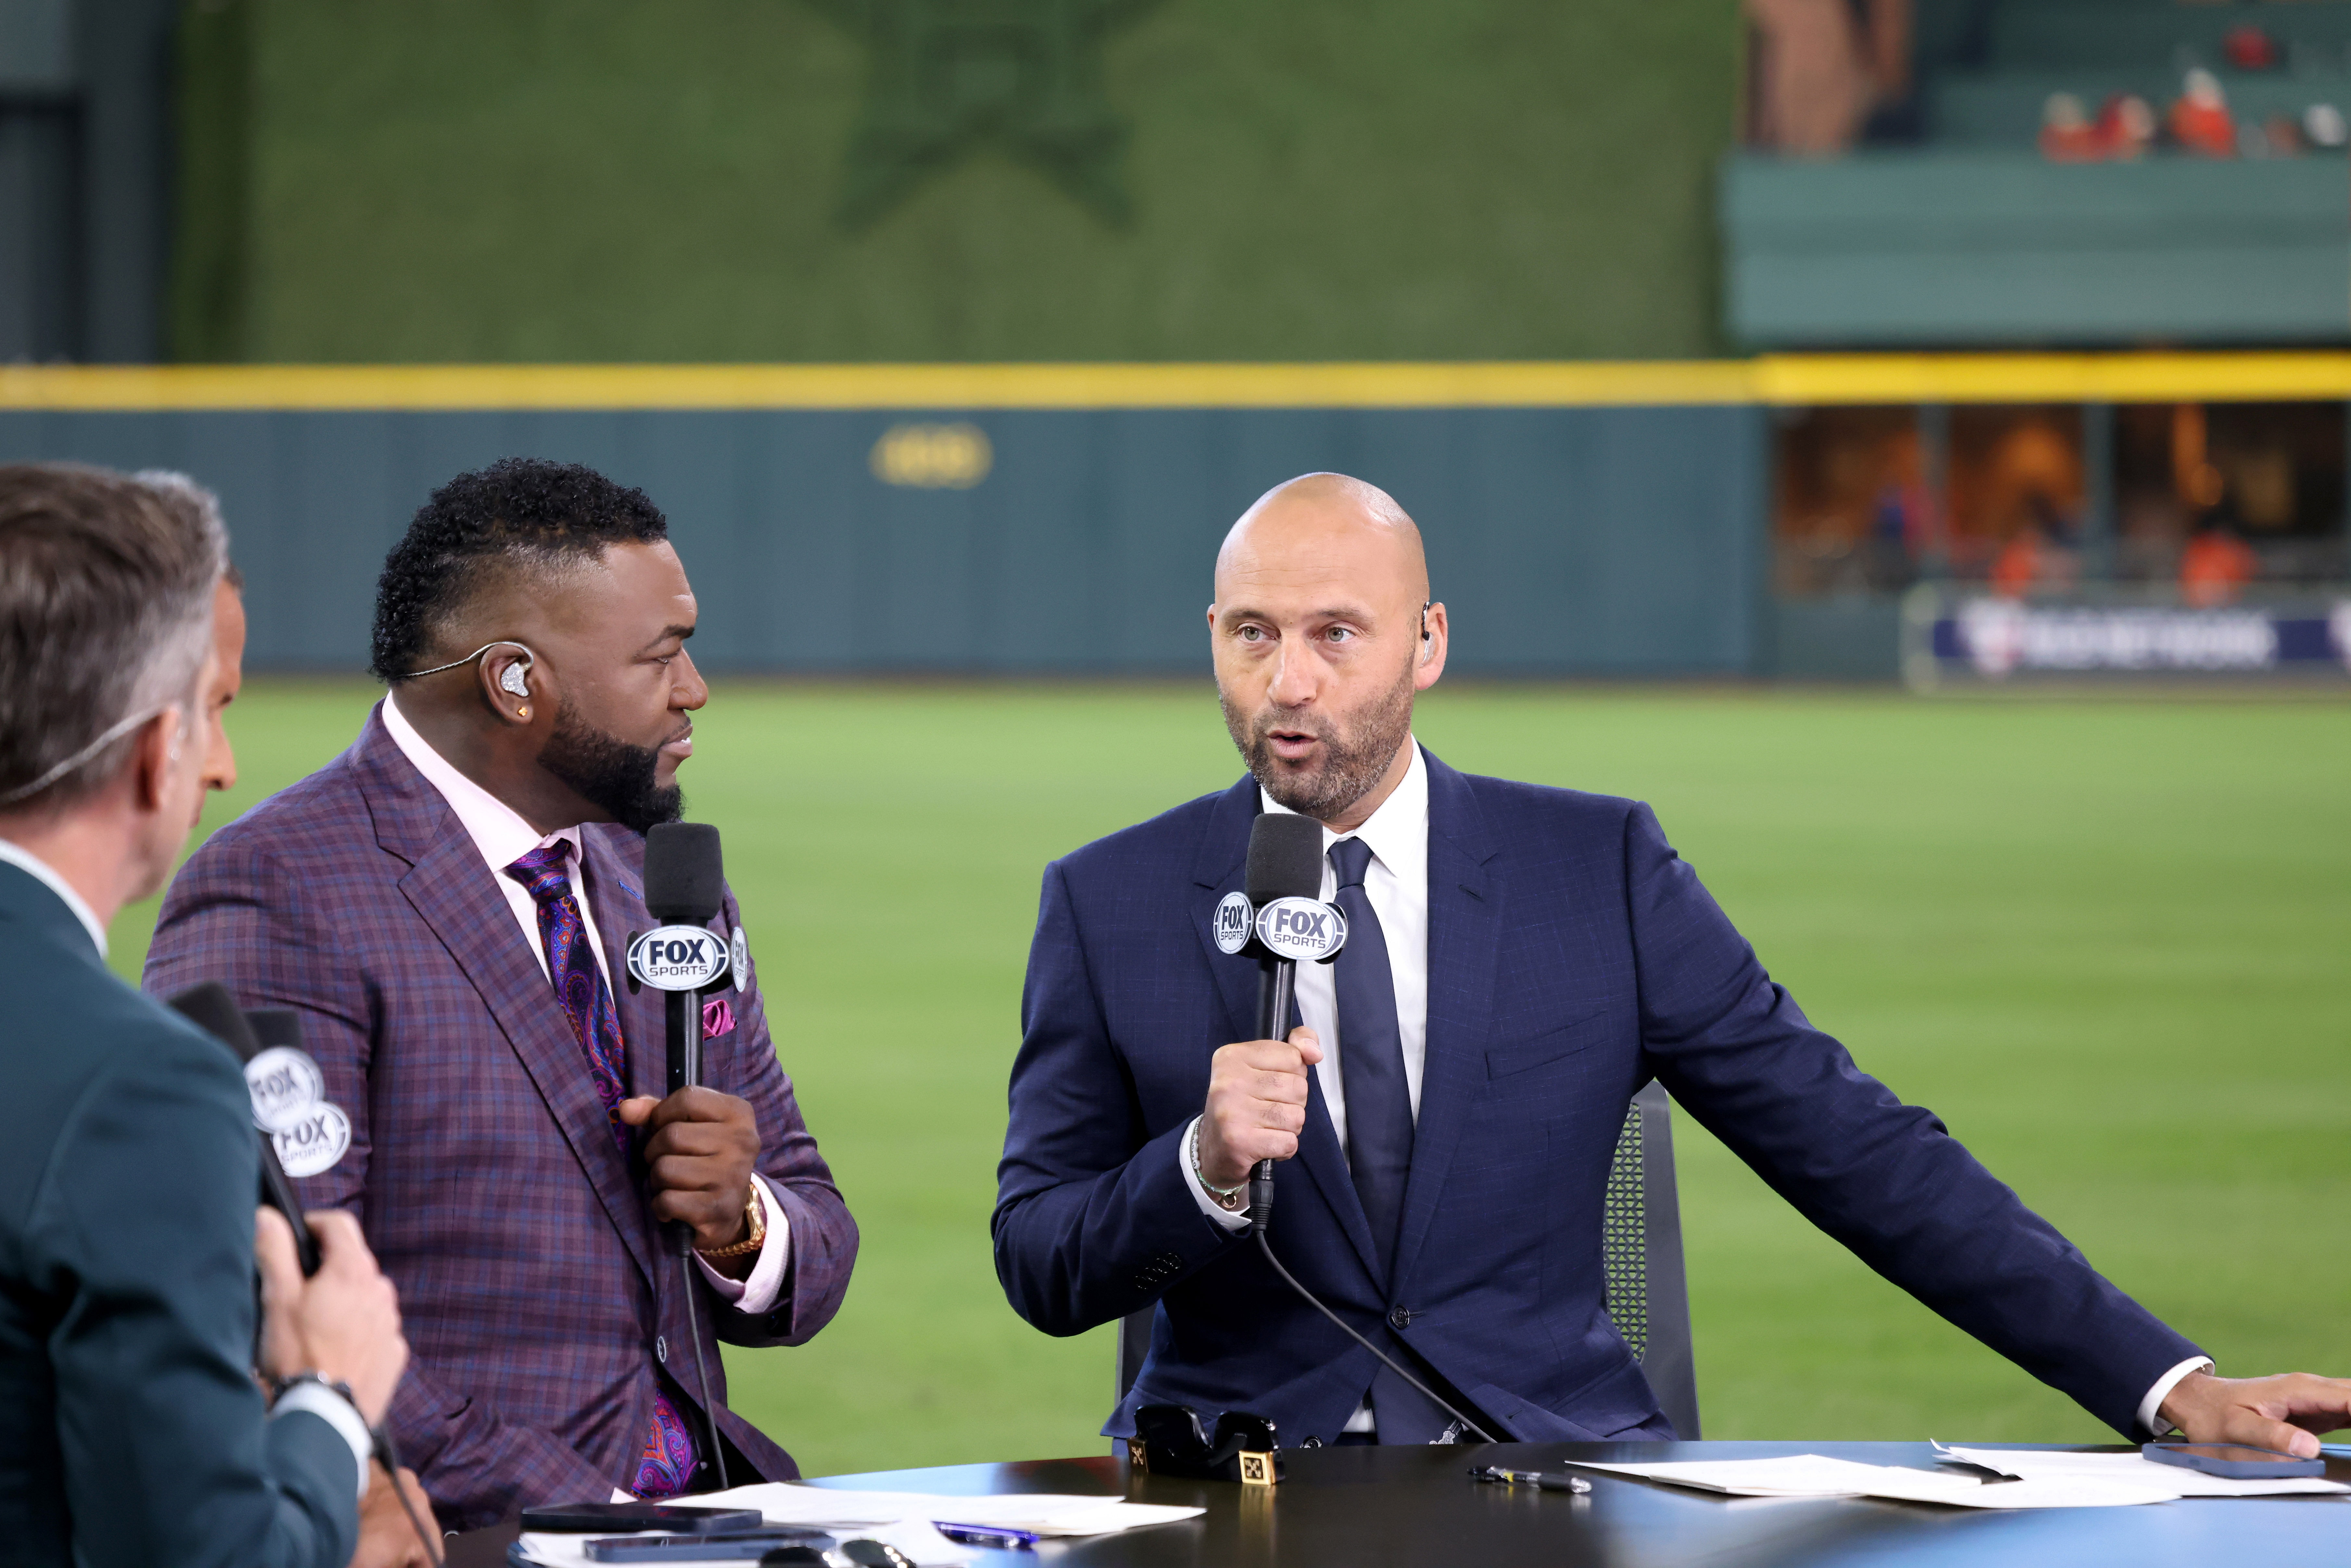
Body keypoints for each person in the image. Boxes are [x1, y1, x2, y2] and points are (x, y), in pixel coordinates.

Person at [995, 471, 2351, 1453]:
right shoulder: (1108, 899)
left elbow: (1860, 1149)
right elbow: (1041, 1258)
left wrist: (2165, 1384)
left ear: (1428, 643)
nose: (1287, 681)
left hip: (1548, 1476)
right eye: (1253, 634)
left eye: (1333, 633)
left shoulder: (1599, 872)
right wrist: (1199, 1169)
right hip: (1237, 1498)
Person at [145, 457, 858, 1528]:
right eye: (662, 656)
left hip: (703, 1512)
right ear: (515, 681)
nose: (693, 689)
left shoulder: (662, 887)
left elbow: (818, 1226)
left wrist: (739, 1225)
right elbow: (277, 1298)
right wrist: (609, 1521)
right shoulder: (284, 886)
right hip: (477, 1531)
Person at [0, 461, 409, 1567]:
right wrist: (331, 1398)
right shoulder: (139, 1084)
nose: (223, 767)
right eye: (212, 715)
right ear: (150, 752)